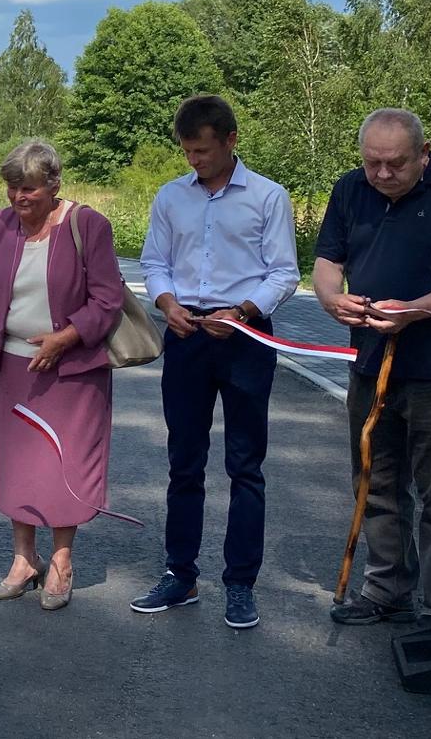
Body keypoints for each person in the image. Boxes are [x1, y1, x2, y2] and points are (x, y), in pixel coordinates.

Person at [317, 108, 431, 632]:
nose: (381, 174)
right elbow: (328, 263)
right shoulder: (350, 190)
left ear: (423, 155)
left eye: (395, 164)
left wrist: (418, 310)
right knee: (375, 483)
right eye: (372, 162)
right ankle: (387, 589)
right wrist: (333, 300)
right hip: (369, 365)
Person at [130, 95, 299, 630]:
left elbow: (284, 273)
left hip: (246, 336)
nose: (194, 161)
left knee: (245, 465)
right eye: (186, 151)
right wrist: (166, 304)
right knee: (184, 460)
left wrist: (243, 311)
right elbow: (154, 262)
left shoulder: (269, 197)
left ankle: (240, 584)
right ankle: (181, 574)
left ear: (230, 141)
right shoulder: (170, 197)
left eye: (203, 150)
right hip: (187, 335)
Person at [0, 140, 124, 610]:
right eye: (12, 187)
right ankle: (23, 559)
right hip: (11, 366)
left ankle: (61, 561)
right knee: (19, 467)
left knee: (65, 465)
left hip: (71, 368)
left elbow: (107, 300)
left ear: (55, 185)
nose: (18, 198)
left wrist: (65, 338)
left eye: (28, 188)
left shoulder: (86, 224)